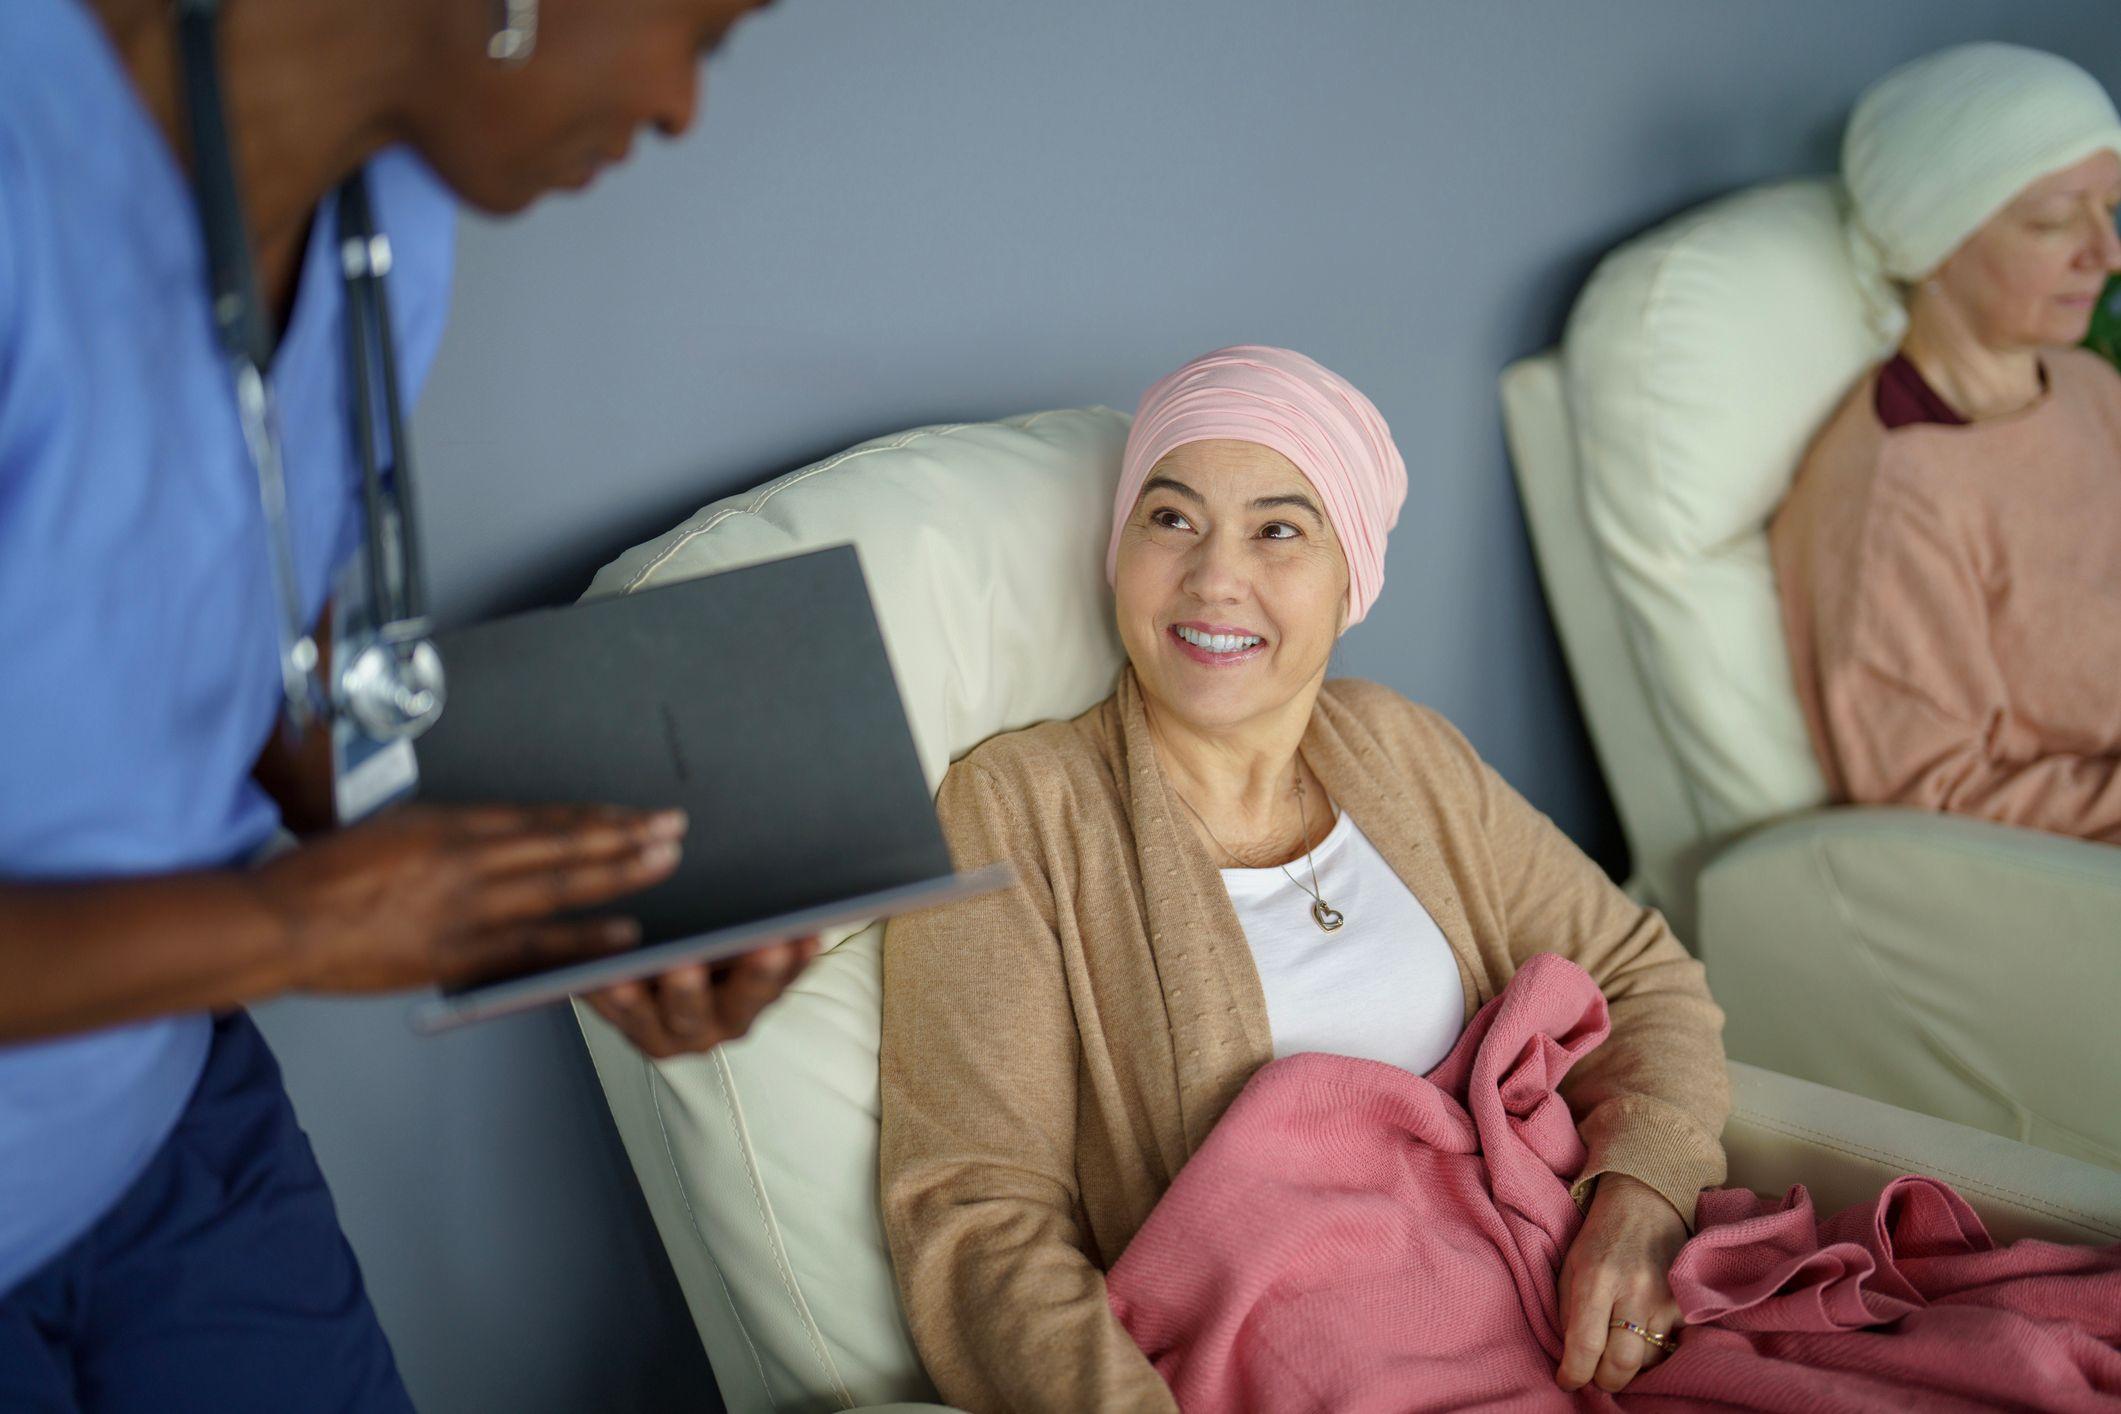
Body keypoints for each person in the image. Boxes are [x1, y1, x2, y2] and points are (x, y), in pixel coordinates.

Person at [0, 0, 815, 1406]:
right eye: (705, 29)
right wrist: (292, 924)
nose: (683, 105)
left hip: (163, 1118)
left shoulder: (389, 219)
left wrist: (567, 902)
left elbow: (244, 635)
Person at [879, 346, 1731, 1410]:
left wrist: (1642, 1195)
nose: (1212, 577)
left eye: (1278, 528)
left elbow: (1643, 975)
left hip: (1566, 1321)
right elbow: (975, 1211)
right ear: (1119, 550)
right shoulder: (1015, 808)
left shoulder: (1400, 748)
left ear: (1351, 580)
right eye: (1171, 518)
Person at [1772, 44, 2121, 844]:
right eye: (2055, 220)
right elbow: (1934, 800)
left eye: (2111, 208)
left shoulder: (2086, 386)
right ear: (1939, 243)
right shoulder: (1893, 499)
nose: (2107, 254)